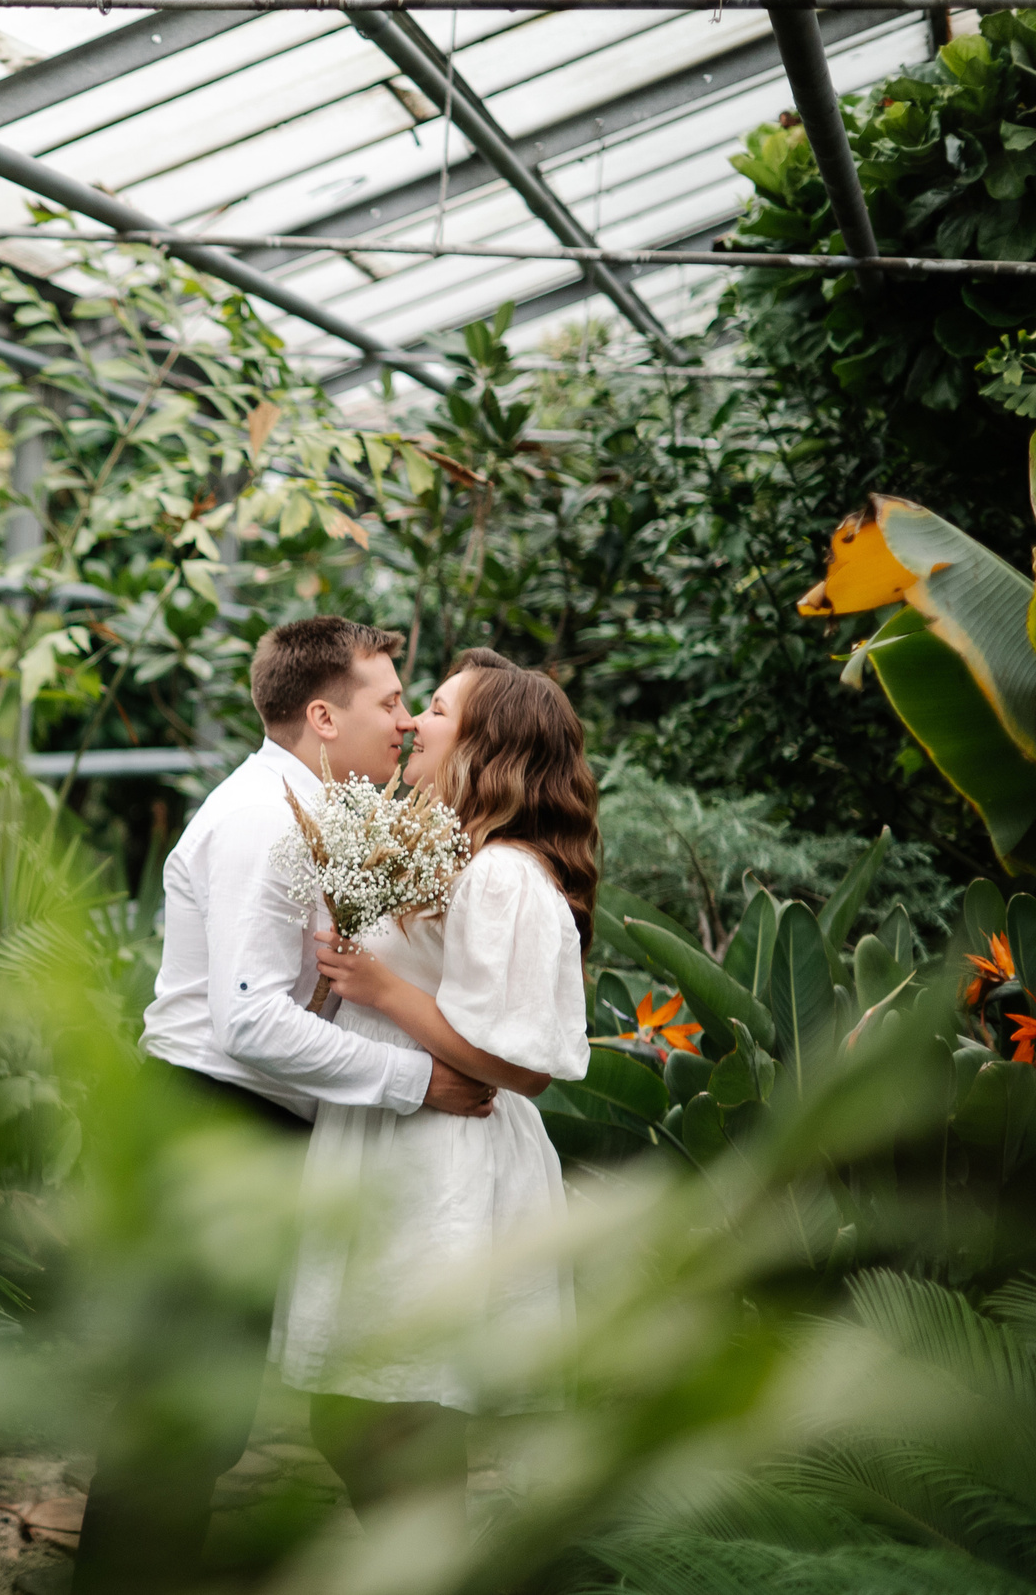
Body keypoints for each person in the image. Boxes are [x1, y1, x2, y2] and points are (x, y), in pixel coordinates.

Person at [72, 618, 500, 1595]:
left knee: (202, 1417)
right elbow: (250, 1020)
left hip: (244, 1124)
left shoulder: (315, 811)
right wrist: (418, 1081)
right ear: (323, 716)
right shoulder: (263, 821)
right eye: (390, 700)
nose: (404, 720)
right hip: (208, 1124)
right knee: (179, 1420)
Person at [285, 646, 597, 1528]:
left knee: (393, 1416)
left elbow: (523, 1065)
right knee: (364, 1412)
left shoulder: (506, 875)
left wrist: (383, 990)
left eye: (436, 709)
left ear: (487, 748)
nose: (413, 723)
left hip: (446, 1163)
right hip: (397, 1143)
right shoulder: (452, 855)